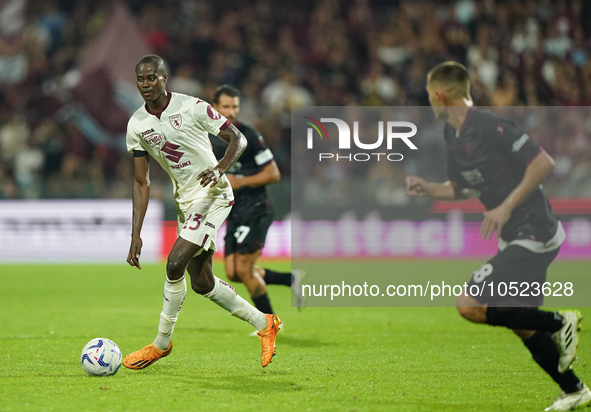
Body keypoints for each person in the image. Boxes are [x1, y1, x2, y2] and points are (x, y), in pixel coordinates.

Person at [406, 61, 589, 411]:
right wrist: (428, 188)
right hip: (514, 236)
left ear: (440, 96)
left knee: (469, 304)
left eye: (429, 96)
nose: (429, 103)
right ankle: (575, 390)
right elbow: (461, 188)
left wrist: (504, 206)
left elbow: (543, 163)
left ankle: (560, 320)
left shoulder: (489, 126)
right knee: (520, 321)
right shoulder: (453, 136)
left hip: (534, 230)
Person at [122, 55, 280, 370]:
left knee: (174, 262)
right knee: (202, 283)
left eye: (152, 78)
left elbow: (239, 139)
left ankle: (161, 344)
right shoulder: (137, 124)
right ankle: (265, 323)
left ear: (164, 77)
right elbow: (142, 182)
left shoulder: (192, 106)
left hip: (213, 194)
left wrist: (221, 169)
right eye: (141, 80)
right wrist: (135, 234)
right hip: (186, 201)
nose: (146, 85)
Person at [209, 85, 305, 315]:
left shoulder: (248, 136)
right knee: (233, 272)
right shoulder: (207, 138)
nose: (231, 112)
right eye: (226, 107)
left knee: (243, 269)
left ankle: (269, 323)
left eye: (235, 107)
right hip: (233, 212)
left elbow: (273, 174)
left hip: (255, 208)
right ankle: (291, 279)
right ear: (214, 108)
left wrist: (239, 181)